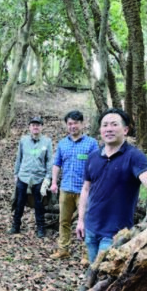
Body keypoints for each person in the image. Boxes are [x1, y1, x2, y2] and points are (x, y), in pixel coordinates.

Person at [76, 108, 147, 264]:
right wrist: (80, 220)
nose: (109, 129)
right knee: (93, 269)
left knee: (104, 274)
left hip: (115, 233)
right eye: (105, 125)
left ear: (125, 130)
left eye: (114, 124)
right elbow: (86, 189)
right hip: (91, 228)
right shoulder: (93, 158)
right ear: (100, 130)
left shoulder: (134, 157)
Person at [49, 110, 99, 262]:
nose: (73, 126)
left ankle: (86, 254)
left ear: (82, 124)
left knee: (86, 222)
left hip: (84, 190)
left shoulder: (91, 143)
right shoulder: (63, 143)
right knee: (64, 221)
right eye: (70, 123)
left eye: (76, 123)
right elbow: (57, 164)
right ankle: (63, 249)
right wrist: (53, 182)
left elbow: (96, 165)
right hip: (65, 188)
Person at [9, 116, 53, 238]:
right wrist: (16, 174)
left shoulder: (47, 142)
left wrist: (48, 177)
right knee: (19, 202)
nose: (35, 127)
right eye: (33, 125)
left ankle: (40, 228)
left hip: (39, 177)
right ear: (29, 127)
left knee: (39, 204)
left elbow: (49, 161)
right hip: (23, 176)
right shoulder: (23, 140)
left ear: (41, 127)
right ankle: (15, 226)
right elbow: (19, 158)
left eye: (38, 125)